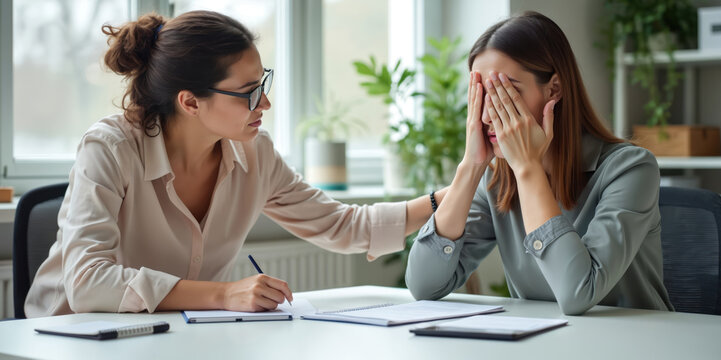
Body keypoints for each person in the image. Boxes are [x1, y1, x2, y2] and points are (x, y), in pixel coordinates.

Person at [25, 10, 445, 318]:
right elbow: (87, 283)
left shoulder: (254, 152)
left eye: (263, 82)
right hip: (71, 340)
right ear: (190, 101)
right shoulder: (111, 147)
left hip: (177, 339)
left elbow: (345, 226)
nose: (265, 103)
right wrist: (223, 295)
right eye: (248, 91)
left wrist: (454, 192)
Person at [405, 11, 673, 315]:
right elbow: (423, 286)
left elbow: (578, 293)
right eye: (482, 97)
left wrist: (528, 169)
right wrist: (470, 167)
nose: (488, 116)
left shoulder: (631, 168)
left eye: (507, 94)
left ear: (554, 89)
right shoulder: (495, 180)